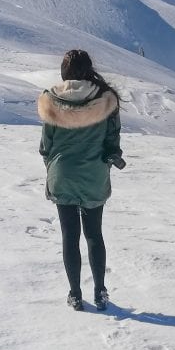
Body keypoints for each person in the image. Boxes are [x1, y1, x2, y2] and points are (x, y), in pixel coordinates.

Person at [38, 49, 125, 311]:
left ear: (64, 73)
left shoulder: (51, 99)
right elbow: (113, 142)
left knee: (69, 236)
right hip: (94, 174)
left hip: (62, 173)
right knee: (94, 234)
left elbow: (46, 145)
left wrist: (53, 167)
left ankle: (75, 294)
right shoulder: (106, 101)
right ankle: (100, 291)